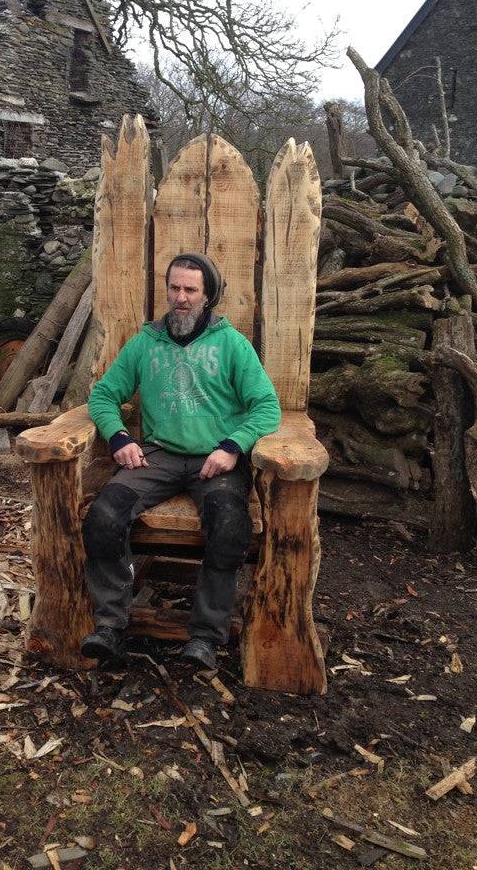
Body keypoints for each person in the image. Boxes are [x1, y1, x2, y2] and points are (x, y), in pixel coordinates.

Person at [80, 252, 280, 669]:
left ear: (208, 295)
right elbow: (103, 395)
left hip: (215, 461)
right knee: (102, 517)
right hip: (157, 456)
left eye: (191, 289)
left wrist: (232, 447)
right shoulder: (146, 342)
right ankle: (111, 626)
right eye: (175, 288)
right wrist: (117, 435)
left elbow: (265, 406)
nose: (181, 297)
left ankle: (205, 637)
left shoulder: (231, 344)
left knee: (229, 526)